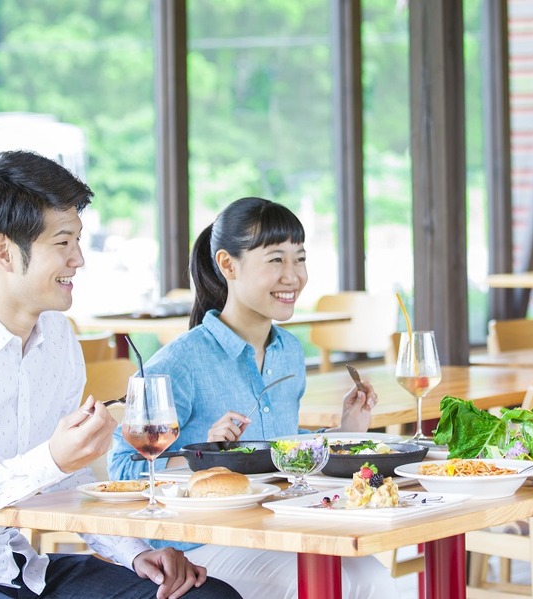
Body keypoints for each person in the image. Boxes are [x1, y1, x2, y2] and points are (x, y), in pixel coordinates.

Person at [0, 151, 240, 599]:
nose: (78, 259)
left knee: (206, 595)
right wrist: (51, 460)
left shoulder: (57, 337)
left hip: (22, 564)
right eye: (62, 243)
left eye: (78, 240)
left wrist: (134, 552)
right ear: (2, 251)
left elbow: (68, 480)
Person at [109, 197, 398, 598]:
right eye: (276, 260)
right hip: (202, 544)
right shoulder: (180, 361)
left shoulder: (290, 352)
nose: (293, 276)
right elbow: (120, 468)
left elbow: (281, 447)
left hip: (280, 528)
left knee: (384, 580)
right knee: (353, 583)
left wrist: (345, 431)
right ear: (228, 265)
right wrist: (203, 456)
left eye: (299, 259)